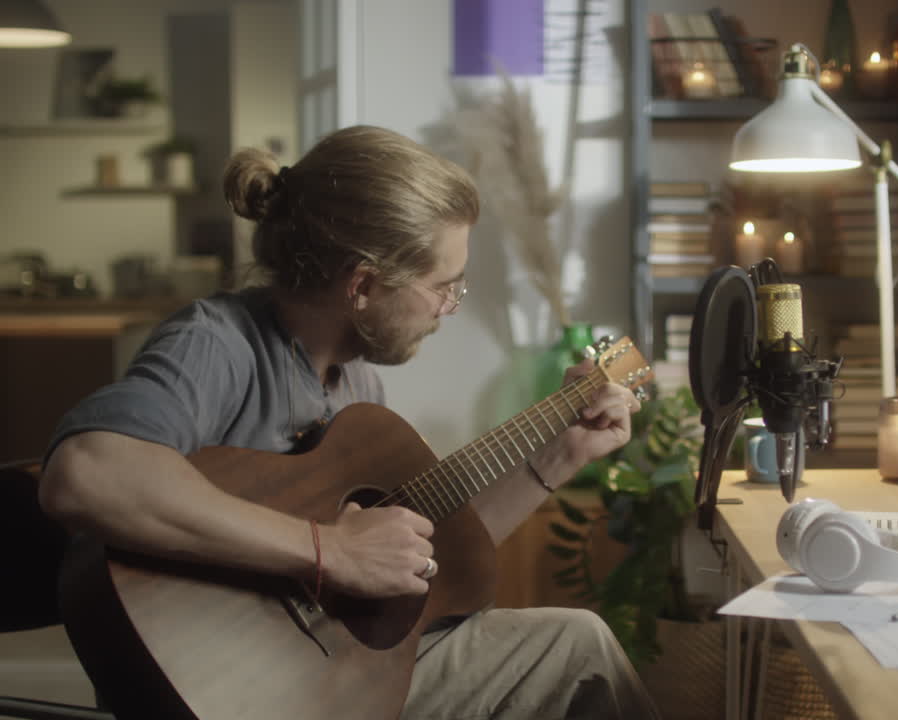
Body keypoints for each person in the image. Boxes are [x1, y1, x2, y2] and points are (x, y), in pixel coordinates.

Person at [39, 125, 660, 720]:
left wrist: (560, 456)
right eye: (443, 286)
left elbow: (429, 561)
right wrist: (326, 550)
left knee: (576, 646)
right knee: (581, 651)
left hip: (329, 674)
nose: (448, 307)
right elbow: (88, 473)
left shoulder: (358, 385)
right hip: (235, 683)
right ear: (362, 285)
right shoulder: (216, 344)